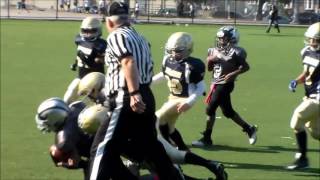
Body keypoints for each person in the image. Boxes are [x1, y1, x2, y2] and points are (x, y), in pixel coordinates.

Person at [88, 2, 183, 180]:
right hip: (146, 95)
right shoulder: (140, 37)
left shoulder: (116, 36)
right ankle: (174, 177)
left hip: (127, 97)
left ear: (108, 22)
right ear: (128, 18)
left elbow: (128, 62)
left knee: (101, 147)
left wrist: (133, 93)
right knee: (151, 147)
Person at [77, 72, 228, 180]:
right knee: (163, 166)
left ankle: (210, 165)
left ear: (96, 87)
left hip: (140, 133)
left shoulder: (111, 95)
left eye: (89, 93)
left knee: (172, 161)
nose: (89, 98)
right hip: (132, 137)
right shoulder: (111, 90)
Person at [192, 26, 258, 147]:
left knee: (210, 108)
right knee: (227, 112)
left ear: (231, 39)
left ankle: (207, 138)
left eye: (223, 38)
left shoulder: (237, 51)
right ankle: (249, 129)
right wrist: (210, 60)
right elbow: (210, 69)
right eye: (220, 38)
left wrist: (233, 74)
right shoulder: (212, 50)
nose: (220, 41)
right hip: (216, 82)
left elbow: (245, 67)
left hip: (226, 84)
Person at [153, 32, 206, 151]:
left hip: (184, 98)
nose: (174, 54)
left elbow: (202, 87)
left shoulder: (193, 65)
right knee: (170, 125)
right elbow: (164, 74)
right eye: (172, 50)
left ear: (188, 49)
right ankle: (183, 149)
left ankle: (166, 148)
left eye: (178, 51)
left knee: (158, 117)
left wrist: (190, 102)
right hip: (172, 97)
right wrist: (148, 83)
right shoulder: (168, 60)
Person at [286, 22, 320, 170]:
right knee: (316, 132)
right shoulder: (306, 51)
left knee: (297, 119)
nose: (312, 42)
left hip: (318, 98)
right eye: (310, 39)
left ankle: (302, 158)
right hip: (309, 96)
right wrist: (296, 81)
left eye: (316, 39)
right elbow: (307, 73)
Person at [35, 97, 95, 180]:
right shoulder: (76, 106)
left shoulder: (64, 139)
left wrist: (75, 164)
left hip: (103, 150)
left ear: (55, 119)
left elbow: (75, 162)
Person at [64, 16, 107, 105]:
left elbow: (108, 59)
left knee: (99, 103)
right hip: (81, 76)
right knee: (68, 97)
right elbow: (79, 53)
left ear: (98, 30)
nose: (88, 34)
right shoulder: (79, 39)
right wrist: (75, 63)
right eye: (85, 31)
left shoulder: (101, 44)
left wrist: (101, 59)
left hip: (96, 80)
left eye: (91, 31)